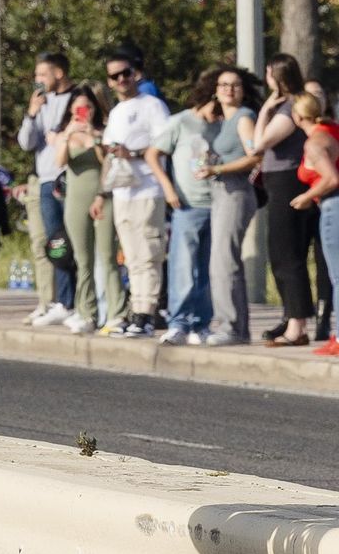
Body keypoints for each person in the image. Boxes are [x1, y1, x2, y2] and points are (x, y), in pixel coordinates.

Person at [100, 50, 171, 337]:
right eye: (115, 76)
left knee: (148, 254)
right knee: (130, 256)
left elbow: (165, 141)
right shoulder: (117, 112)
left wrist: (136, 153)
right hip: (122, 192)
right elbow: (107, 149)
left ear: (135, 74)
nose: (121, 80)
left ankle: (147, 313)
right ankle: (135, 309)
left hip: (147, 188)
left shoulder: (151, 105)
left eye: (126, 73)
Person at [145, 71, 219, 345]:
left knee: (208, 268)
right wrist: (168, 188)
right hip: (187, 204)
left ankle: (202, 323)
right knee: (183, 266)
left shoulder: (224, 124)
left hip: (218, 203)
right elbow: (153, 154)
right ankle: (178, 322)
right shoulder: (181, 122)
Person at [252, 54, 320, 346]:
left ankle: (298, 325)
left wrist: (266, 107)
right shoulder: (285, 105)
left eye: (269, 71)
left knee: (287, 254)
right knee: (280, 254)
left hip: (288, 181)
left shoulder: (292, 106)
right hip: (278, 181)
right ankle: (291, 318)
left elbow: (260, 143)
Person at [195, 65, 260, 346]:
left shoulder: (244, 118)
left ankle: (231, 327)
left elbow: (254, 155)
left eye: (234, 85)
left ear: (243, 90)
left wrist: (218, 170)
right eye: (222, 84)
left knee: (224, 261)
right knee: (219, 260)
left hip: (236, 191)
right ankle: (236, 328)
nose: (228, 89)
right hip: (220, 193)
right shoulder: (220, 120)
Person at [50, 86, 120, 334]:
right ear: (71, 109)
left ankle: (115, 313)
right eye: (79, 107)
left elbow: (107, 162)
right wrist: (69, 134)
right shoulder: (65, 135)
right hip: (76, 200)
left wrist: (93, 137)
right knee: (83, 259)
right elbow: (59, 162)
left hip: (103, 197)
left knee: (108, 256)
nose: (84, 112)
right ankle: (86, 311)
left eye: (89, 107)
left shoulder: (103, 133)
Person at [17, 53, 76, 326]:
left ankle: (76, 302)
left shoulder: (77, 99)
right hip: (45, 181)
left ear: (59, 73)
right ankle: (61, 303)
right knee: (55, 243)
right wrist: (31, 113)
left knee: (75, 241)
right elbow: (26, 143)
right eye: (36, 75)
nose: (38, 81)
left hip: (70, 179)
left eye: (43, 75)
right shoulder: (41, 104)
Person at [289, 93, 339, 356]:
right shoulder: (331, 130)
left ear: (297, 117)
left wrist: (306, 197)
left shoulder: (314, 143)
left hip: (333, 205)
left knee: (337, 275)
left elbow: (331, 178)